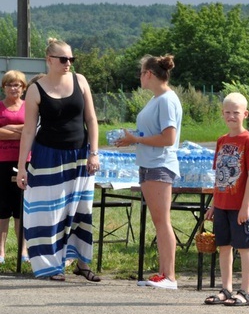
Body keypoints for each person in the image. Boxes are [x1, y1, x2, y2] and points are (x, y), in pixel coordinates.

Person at [16, 38, 101, 282]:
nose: (68, 64)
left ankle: (81, 263)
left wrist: (94, 152)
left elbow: (92, 120)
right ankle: (51, 266)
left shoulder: (80, 80)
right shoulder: (36, 88)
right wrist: (22, 166)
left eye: (71, 59)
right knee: (47, 212)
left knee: (81, 209)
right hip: (47, 155)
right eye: (63, 59)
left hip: (79, 155)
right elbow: (29, 130)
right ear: (49, 60)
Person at [116, 54, 183, 290]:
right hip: (149, 164)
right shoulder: (157, 99)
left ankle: (170, 277)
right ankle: (164, 273)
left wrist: (136, 139)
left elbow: (169, 137)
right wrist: (133, 139)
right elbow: (152, 134)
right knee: (158, 221)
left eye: (141, 73)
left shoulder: (166, 99)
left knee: (163, 221)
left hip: (159, 164)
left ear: (149, 74)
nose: (139, 77)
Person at [203, 93, 249, 306]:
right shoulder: (222, 141)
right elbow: (219, 176)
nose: (231, 116)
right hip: (222, 204)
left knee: (244, 246)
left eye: (236, 112)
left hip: (240, 205)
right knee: (224, 246)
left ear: (245, 114)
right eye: (227, 112)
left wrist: (246, 205)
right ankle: (225, 288)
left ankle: (246, 291)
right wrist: (213, 205)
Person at [0, 71, 29, 265]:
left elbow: (32, 130)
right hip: (2, 161)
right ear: (4, 87)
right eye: (10, 84)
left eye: (18, 85)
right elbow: (24, 130)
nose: (14, 88)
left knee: (21, 208)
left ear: (23, 88)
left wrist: (8, 128)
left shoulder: (29, 107)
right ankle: (0, 251)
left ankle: (23, 250)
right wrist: (20, 130)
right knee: (2, 208)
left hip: (24, 162)